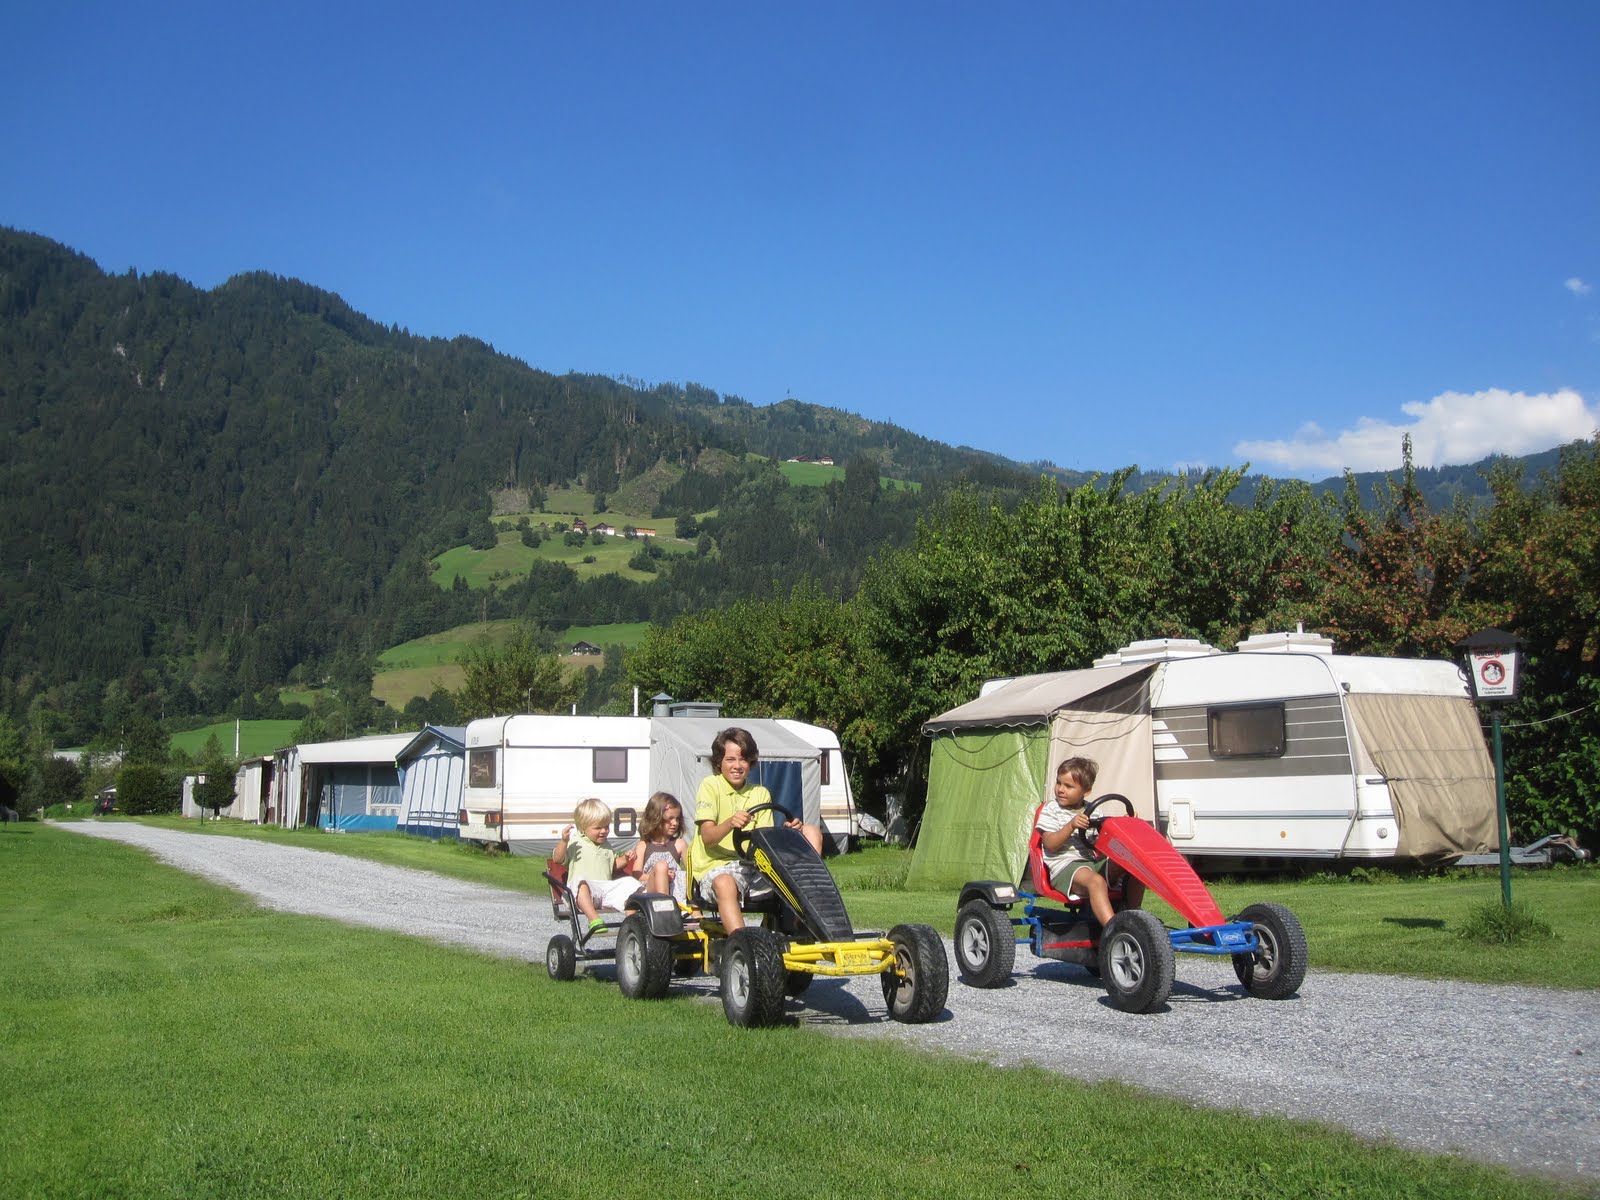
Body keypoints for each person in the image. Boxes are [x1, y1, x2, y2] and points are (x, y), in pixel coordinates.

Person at [689, 726, 824, 931]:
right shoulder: (710, 786)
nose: (737, 766)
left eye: (743, 759)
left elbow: (765, 843)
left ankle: (802, 923)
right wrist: (729, 823)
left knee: (811, 832)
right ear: (719, 762)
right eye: (730, 759)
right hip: (717, 868)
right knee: (726, 882)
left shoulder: (760, 793)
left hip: (753, 866)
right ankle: (743, 946)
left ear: (751, 763)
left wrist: (788, 833)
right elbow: (707, 837)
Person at [1034, 756, 1145, 925]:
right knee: (1096, 881)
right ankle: (1114, 929)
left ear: (1085, 791)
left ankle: (1133, 915)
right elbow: (1050, 844)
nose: (1061, 789)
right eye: (1058, 783)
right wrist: (1071, 825)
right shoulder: (1051, 809)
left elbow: (1102, 844)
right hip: (1065, 867)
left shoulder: (1094, 811)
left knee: (1137, 865)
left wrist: (1124, 823)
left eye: (1068, 786)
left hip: (1091, 863)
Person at [551, 797, 642, 934]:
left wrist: (626, 858)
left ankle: (633, 923)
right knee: (580, 882)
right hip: (580, 894)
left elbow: (613, 866)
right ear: (583, 827)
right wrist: (564, 841)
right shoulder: (575, 842)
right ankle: (594, 920)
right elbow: (557, 859)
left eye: (606, 827)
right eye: (598, 828)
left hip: (604, 891)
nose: (603, 831)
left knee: (630, 883)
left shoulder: (606, 846)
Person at [632, 791, 689, 904]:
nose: (675, 823)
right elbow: (637, 876)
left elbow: (692, 873)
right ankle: (665, 908)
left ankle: (673, 907)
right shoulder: (643, 845)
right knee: (661, 866)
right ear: (655, 818)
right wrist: (661, 876)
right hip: (650, 893)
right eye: (670, 818)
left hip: (675, 891)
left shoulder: (679, 844)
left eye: (677, 819)